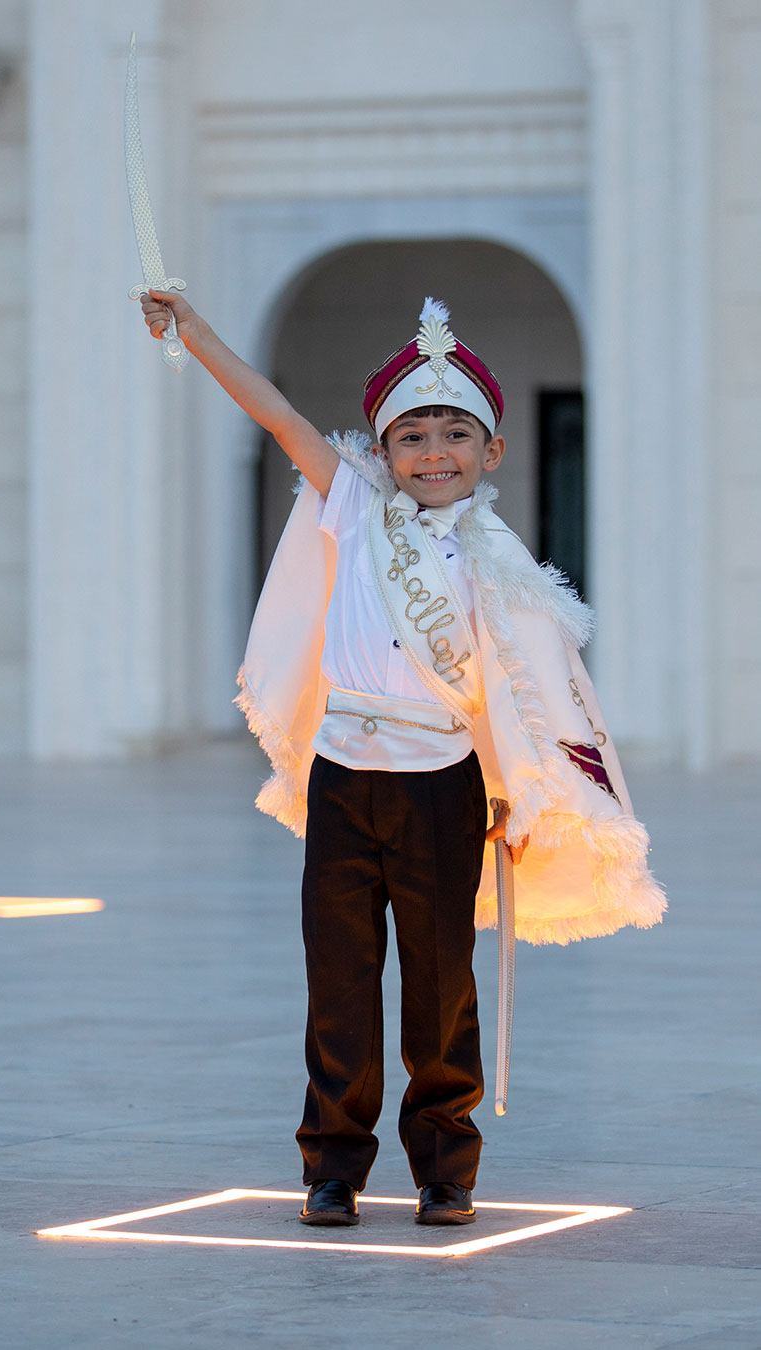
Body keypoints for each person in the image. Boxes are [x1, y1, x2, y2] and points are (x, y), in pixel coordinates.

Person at [139, 288, 666, 1228]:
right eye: (411, 435)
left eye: (454, 434)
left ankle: (444, 1167)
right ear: (380, 452)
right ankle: (333, 1165)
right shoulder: (352, 507)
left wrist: (516, 793)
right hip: (346, 777)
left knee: (439, 985)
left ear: (491, 452)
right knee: (338, 982)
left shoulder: (501, 569)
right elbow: (276, 413)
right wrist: (198, 332)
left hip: (443, 790)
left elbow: (522, 696)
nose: (432, 452)